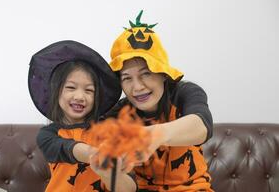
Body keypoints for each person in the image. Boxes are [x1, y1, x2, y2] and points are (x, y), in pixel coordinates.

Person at [106, 10, 214, 191]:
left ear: (163, 74)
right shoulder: (118, 114)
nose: (137, 87)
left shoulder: (185, 93)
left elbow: (202, 126)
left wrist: (152, 135)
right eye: (127, 78)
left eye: (146, 74)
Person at [28, 40, 137, 192]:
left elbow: (129, 188)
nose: (80, 96)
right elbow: (67, 148)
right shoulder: (47, 135)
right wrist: (95, 155)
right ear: (56, 91)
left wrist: (108, 171)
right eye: (71, 87)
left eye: (89, 90)